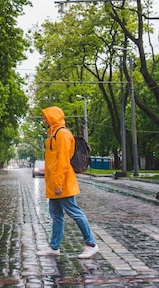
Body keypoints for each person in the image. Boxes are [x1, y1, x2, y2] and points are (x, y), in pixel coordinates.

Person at [37, 106, 99, 259]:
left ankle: (91, 244)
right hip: (54, 184)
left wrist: (57, 183)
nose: (44, 120)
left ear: (53, 117)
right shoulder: (53, 134)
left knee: (75, 212)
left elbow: (63, 162)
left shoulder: (63, 134)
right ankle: (54, 246)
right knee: (56, 215)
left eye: (46, 117)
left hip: (62, 183)